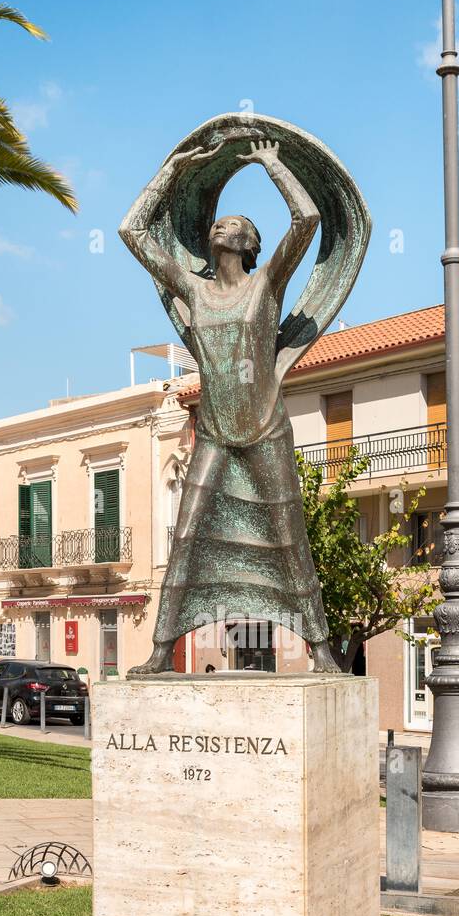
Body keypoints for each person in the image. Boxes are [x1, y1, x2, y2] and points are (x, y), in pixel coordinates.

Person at [120, 134, 342, 675]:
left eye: (237, 225)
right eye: (221, 222)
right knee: (187, 537)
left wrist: (273, 165)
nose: (225, 225)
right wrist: (170, 170)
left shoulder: (268, 282)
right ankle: (159, 652)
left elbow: (308, 221)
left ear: (250, 245)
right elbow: (132, 232)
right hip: (216, 431)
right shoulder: (193, 289)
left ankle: (320, 650)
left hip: (265, 428)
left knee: (291, 542)